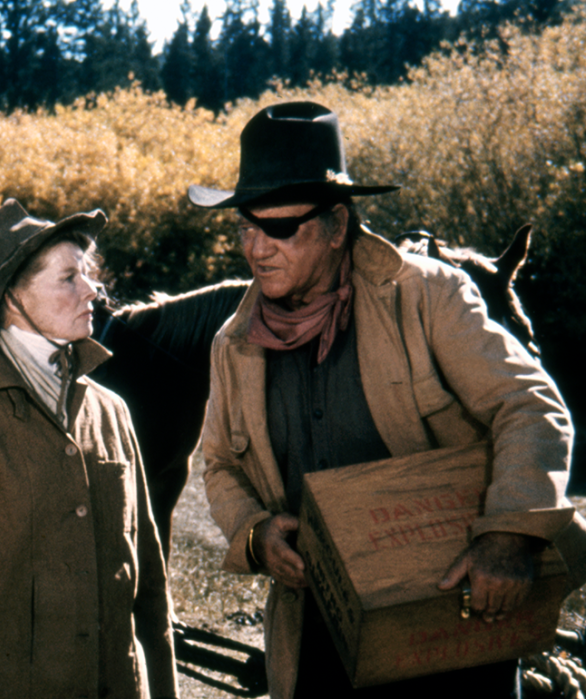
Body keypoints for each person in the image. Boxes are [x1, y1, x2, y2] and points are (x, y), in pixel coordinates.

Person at [189, 101, 584, 699]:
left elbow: (529, 405)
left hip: (451, 624)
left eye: (279, 228)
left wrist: (510, 534)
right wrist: (254, 532)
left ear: (337, 226)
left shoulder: (426, 295)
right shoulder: (233, 344)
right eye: (246, 226)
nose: (257, 249)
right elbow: (217, 464)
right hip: (321, 636)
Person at [0, 199, 179, 699]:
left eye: (87, 274)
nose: (92, 290)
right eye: (68, 277)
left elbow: (151, 588)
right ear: (13, 298)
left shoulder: (110, 411)